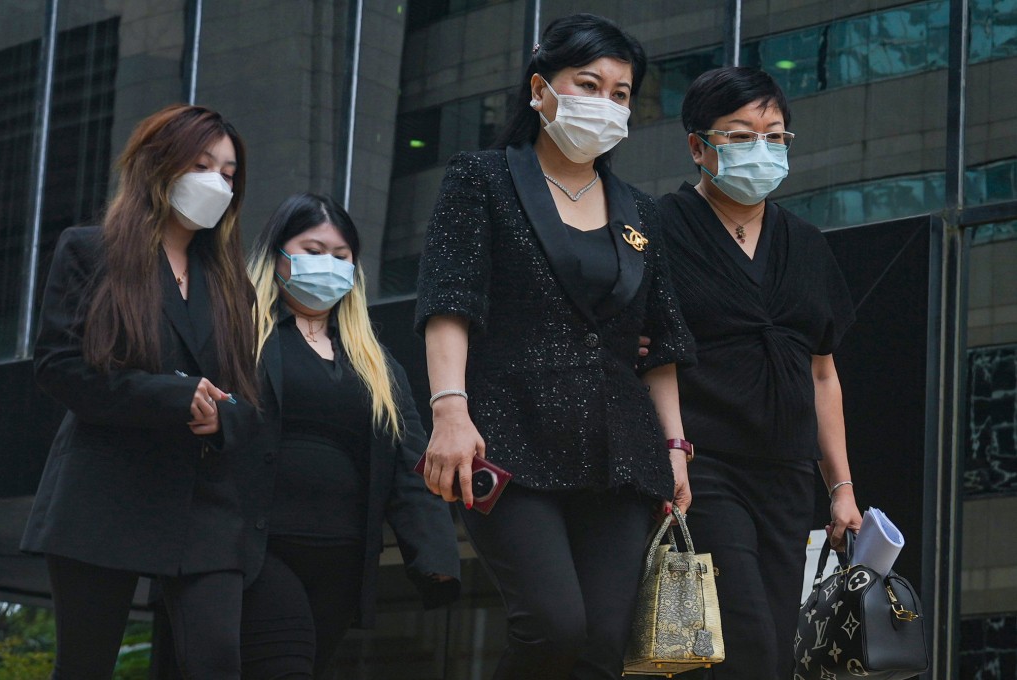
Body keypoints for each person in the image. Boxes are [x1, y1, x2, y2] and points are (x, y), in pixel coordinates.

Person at [414, 14, 696, 680]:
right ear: (541, 90)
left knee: (603, 643)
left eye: (622, 93)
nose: (607, 103)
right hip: (508, 437)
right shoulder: (481, 179)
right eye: (589, 84)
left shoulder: (639, 213)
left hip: (621, 450)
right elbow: (449, 301)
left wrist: (676, 448)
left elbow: (660, 345)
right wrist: (449, 411)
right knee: (552, 623)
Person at [20, 104, 260, 678]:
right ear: (159, 165)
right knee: (85, 662)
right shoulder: (90, 250)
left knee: (217, 656)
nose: (216, 182)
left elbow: (252, 402)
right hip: (104, 490)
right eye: (202, 164)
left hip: (202, 501)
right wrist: (172, 397)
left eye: (228, 173)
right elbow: (59, 365)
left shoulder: (233, 286)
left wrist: (224, 420)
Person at [655, 66, 864, 679]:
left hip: (788, 476)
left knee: (776, 647)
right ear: (699, 147)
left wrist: (842, 488)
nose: (763, 150)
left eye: (775, 135)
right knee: (744, 635)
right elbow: (648, 351)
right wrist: (669, 448)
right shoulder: (657, 226)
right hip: (704, 465)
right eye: (742, 136)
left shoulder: (804, 242)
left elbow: (823, 374)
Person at [239, 193, 461, 678]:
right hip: (258, 550)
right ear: (278, 255)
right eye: (313, 250)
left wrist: (435, 558)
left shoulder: (376, 364)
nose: (328, 265)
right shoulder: (239, 334)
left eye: (341, 257)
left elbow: (409, 464)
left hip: (340, 562)